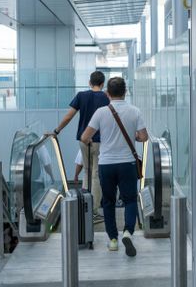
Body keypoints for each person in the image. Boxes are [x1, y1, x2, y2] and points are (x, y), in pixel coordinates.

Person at [81, 77, 148, 257]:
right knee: (130, 200)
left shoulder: (101, 112)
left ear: (107, 94)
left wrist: (95, 140)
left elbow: (85, 137)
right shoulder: (135, 111)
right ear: (125, 92)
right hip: (127, 163)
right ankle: (127, 232)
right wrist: (133, 137)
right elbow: (144, 137)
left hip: (106, 164)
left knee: (108, 202)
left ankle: (112, 240)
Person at [54, 71, 109, 218]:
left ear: (90, 83)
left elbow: (69, 116)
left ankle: (84, 205)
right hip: (99, 141)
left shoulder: (81, 96)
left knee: (87, 171)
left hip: (83, 140)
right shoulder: (106, 97)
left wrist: (57, 130)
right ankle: (94, 209)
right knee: (96, 173)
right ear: (102, 84)